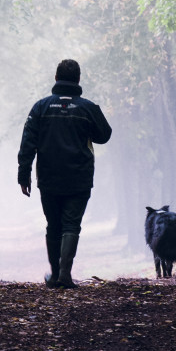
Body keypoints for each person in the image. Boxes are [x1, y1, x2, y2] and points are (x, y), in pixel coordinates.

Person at [17, 58, 112, 288]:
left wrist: (24, 174)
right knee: (71, 225)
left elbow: (28, 142)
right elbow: (104, 135)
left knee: (53, 225)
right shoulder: (88, 108)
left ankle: (55, 274)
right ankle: (65, 274)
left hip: (49, 178)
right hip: (79, 178)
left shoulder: (41, 107)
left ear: (56, 78)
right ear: (78, 79)